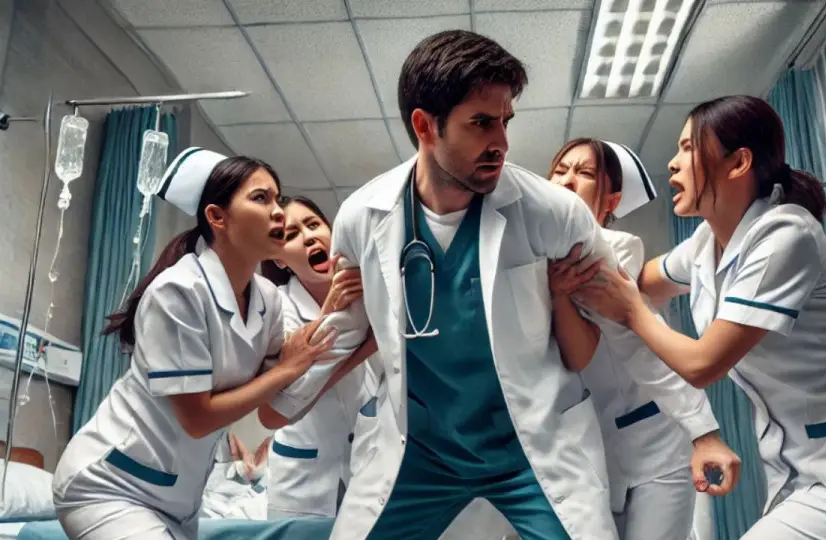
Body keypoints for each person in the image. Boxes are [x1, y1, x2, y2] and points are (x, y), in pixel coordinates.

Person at [256, 29, 690, 540]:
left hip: (532, 445)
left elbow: (625, 323)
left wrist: (700, 427)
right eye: (481, 123)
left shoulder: (552, 212)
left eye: (505, 121)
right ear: (425, 126)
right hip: (419, 453)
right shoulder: (363, 217)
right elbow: (349, 327)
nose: (501, 142)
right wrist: (281, 400)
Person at [567, 95, 826, 540]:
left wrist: (629, 311)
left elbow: (702, 364)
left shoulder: (785, 234)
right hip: (805, 468)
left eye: (688, 148)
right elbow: (640, 280)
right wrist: (573, 266)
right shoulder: (706, 243)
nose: (672, 162)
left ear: (739, 162)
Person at [52, 148, 340, 539]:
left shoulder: (268, 300)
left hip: (179, 500)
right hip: (111, 484)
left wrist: (339, 323)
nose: (278, 211)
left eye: (277, 198)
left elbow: (277, 397)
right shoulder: (179, 291)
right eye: (261, 198)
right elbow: (198, 418)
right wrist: (288, 368)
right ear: (217, 217)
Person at [545, 138, 739, 540]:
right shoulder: (529, 260)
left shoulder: (613, 250)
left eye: (584, 173)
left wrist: (703, 431)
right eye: (559, 171)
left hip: (655, 445)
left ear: (611, 201)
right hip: (588, 453)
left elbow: (639, 347)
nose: (567, 180)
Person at [260, 195, 368, 520]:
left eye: (313, 224)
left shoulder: (370, 292)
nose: (309, 237)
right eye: (292, 235)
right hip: (302, 476)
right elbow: (280, 405)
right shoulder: (274, 309)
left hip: (367, 462)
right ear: (279, 259)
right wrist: (332, 315)